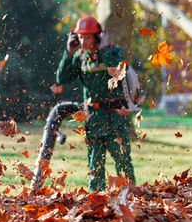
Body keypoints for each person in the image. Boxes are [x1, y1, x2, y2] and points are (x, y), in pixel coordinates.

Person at [50, 15, 136, 191]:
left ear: (97, 37)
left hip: (115, 117)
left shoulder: (113, 51)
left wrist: (102, 48)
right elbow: (62, 78)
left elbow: (115, 69)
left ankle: (131, 195)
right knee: (94, 163)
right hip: (93, 117)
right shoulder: (80, 57)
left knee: (122, 160)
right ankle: (96, 198)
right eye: (80, 36)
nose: (83, 40)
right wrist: (68, 53)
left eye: (87, 37)